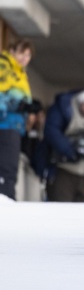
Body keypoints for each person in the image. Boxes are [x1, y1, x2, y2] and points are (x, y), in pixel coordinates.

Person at [0, 39, 34, 200]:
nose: (24, 58)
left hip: (15, 125)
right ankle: (5, 203)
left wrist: (29, 109)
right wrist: (16, 105)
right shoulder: (4, 66)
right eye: (21, 53)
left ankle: (7, 200)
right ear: (12, 51)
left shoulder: (21, 73)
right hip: (4, 124)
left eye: (28, 55)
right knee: (7, 169)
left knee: (11, 169)